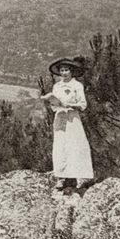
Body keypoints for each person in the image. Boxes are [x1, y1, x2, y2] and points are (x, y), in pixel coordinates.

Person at [41, 57, 94, 191]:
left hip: (72, 118)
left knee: (76, 145)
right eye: (62, 70)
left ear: (72, 71)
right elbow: (54, 105)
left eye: (67, 70)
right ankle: (61, 177)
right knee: (60, 146)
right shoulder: (57, 86)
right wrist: (53, 102)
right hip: (60, 118)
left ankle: (80, 177)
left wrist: (70, 105)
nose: (64, 73)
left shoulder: (77, 86)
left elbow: (83, 104)